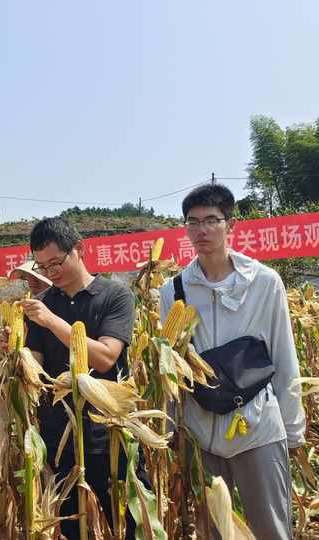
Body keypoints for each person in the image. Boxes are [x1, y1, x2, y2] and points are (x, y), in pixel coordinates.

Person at [160, 183, 305, 540]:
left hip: (257, 429)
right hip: (201, 434)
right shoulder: (173, 290)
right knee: (211, 531)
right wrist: (168, 430)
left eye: (211, 220)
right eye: (192, 223)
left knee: (271, 529)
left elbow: (283, 356)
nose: (202, 230)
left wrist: (292, 429)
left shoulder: (264, 283)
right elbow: (169, 365)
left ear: (231, 225)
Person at [22, 217, 138, 539]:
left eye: (56, 263)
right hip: (59, 441)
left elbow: (104, 358)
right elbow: (37, 371)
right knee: (71, 528)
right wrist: (18, 350)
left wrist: (51, 322)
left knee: (118, 525)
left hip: (107, 436)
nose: (50, 273)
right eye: (42, 267)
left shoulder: (115, 296)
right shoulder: (42, 304)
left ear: (79, 249)